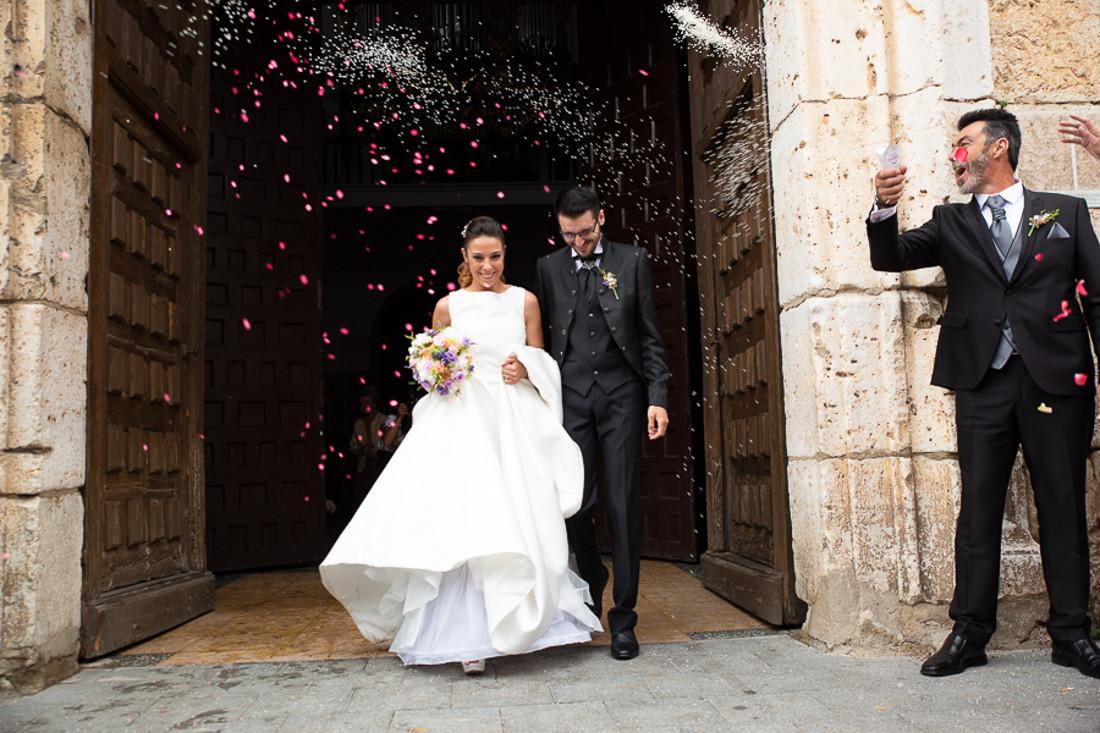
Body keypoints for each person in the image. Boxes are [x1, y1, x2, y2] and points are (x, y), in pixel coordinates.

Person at [868, 107, 1100, 680]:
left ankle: (1072, 633)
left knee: (1065, 507)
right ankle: (970, 633)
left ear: (997, 148)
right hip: (983, 384)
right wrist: (884, 207)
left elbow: (1096, 295)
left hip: (1057, 381)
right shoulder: (950, 222)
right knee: (978, 513)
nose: (956, 154)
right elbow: (888, 258)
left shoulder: (1065, 211)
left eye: (963, 143)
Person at [320, 216, 600, 675]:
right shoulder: (447, 307)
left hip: (509, 417)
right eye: (478, 258)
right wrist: (440, 373)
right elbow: (433, 368)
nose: (487, 267)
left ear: (505, 254)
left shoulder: (524, 301)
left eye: (495, 257)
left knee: (512, 510)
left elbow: (541, 357)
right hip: (462, 418)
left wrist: (525, 370)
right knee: (463, 512)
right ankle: (466, 636)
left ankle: (512, 620)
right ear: (465, 258)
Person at [534, 186, 670, 661]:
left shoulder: (631, 261)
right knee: (575, 502)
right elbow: (543, 338)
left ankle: (624, 619)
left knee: (622, 501)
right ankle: (592, 579)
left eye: (586, 233)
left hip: (621, 399)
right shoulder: (549, 268)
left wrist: (658, 397)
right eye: (570, 235)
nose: (580, 242)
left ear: (601, 220)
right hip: (569, 402)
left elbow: (650, 335)